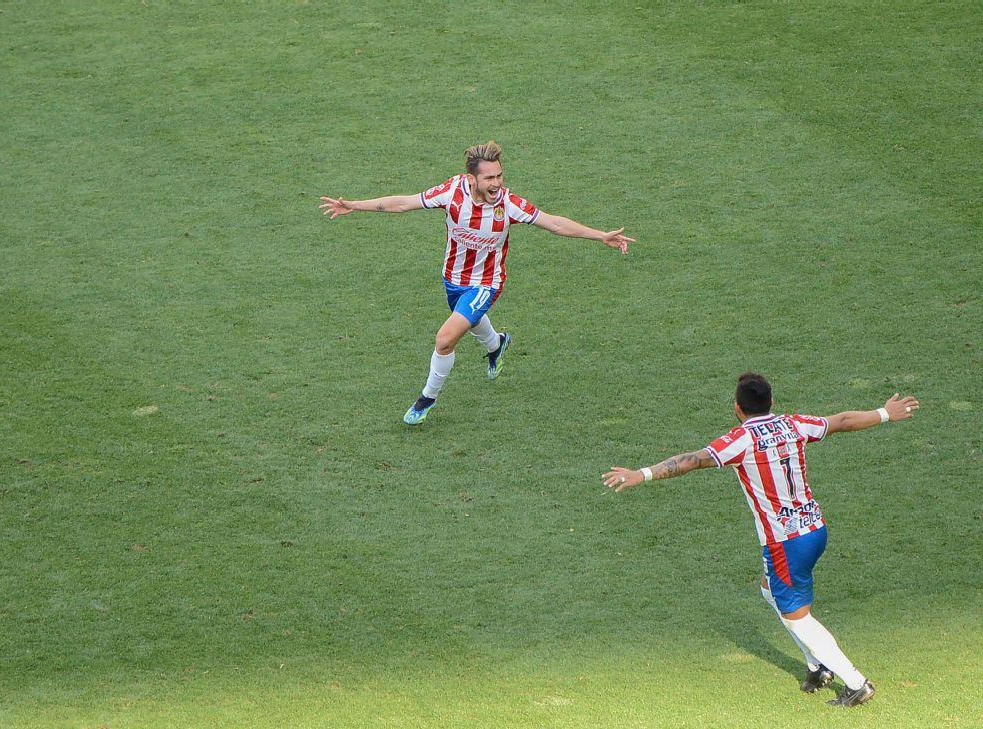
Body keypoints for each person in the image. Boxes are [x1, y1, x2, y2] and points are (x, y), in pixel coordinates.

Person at [602, 373, 920, 707]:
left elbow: (692, 460)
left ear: (737, 408)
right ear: (771, 402)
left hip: (785, 543)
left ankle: (855, 682)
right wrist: (885, 413)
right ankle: (816, 666)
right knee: (770, 591)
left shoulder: (741, 440)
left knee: (797, 618)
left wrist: (642, 474)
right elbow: (841, 421)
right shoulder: (794, 424)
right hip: (814, 529)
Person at [320, 141, 634, 425]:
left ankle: (427, 398)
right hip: (452, 279)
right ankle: (497, 344)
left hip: (486, 283)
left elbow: (553, 223)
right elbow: (404, 203)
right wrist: (355, 205)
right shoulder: (452, 192)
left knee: (445, 339)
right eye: (489, 178)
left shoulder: (508, 204)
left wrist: (600, 235)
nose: (497, 183)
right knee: (469, 320)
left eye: (499, 176)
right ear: (472, 179)